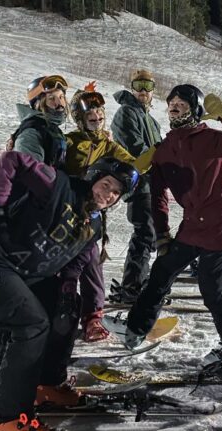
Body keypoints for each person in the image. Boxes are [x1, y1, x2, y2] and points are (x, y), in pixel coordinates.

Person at [0, 151, 138, 431]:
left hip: (20, 272)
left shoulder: (93, 222)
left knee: (63, 309)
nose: (110, 194)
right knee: (31, 325)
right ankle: (6, 420)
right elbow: (12, 160)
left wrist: (69, 294)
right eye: (106, 185)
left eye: (116, 192)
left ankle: (47, 384)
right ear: (94, 177)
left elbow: (78, 261)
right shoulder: (58, 186)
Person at [103, 84, 222, 367]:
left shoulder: (211, 139)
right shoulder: (164, 149)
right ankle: (136, 329)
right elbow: (157, 197)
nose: (174, 105)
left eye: (182, 102)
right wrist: (163, 234)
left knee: (210, 284)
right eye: (172, 102)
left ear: (196, 109)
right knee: (162, 270)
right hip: (193, 225)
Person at [0, 75, 71, 378]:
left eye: (62, 97)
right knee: (4, 295)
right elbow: (25, 168)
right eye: (51, 98)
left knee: (12, 293)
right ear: (37, 103)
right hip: (19, 221)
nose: (59, 102)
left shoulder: (50, 130)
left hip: (29, 222)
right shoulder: (33, 131)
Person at [63, 83, 135, 341]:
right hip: (66, 208)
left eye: (99, 117)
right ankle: (62, 310)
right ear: (80, 119)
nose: (96, 120)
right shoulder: (71, 141)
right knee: (63, 263)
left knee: (92, 261)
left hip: (93, 212)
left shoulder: (108, 144)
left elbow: (132, 164)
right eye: (90, 117)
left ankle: (93, 316)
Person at [109, 69, 162, 303]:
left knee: (151, 235)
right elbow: (136, 148)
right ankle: (132, 286)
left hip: (152, 184)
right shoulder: (126, 113)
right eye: (138, 85)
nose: (143, 90)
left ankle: (139, 279)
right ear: (132, 87)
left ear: (153, 91)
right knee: (144, 232)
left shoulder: (151, 120)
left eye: (147, 86)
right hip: (137, 181)